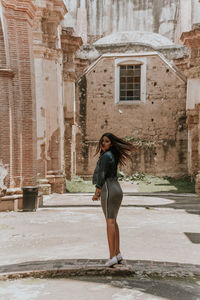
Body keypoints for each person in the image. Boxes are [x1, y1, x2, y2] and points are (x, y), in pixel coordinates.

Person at [92, 132, 136, 267]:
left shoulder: (106, 156)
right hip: (117, 188)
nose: (103, 143)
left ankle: (112, 257)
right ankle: (117, 253)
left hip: (109, 189)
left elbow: (102, 175)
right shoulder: (113, 155)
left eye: (106, 141)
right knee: (113, 221)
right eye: (102, 141)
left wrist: (97, 191)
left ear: (111, 143)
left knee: (109, 222)